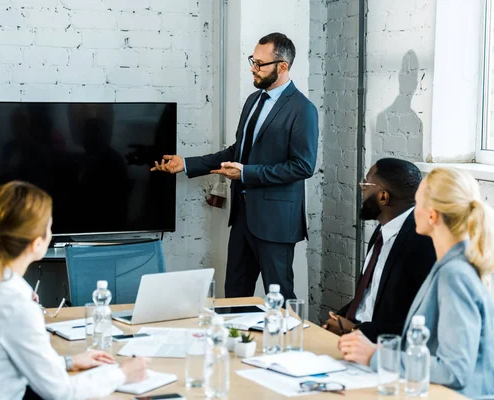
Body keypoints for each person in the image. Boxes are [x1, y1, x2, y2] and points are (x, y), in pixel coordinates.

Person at [151, 32, 318, 300]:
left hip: (276, 223)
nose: (253, 68)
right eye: (253, 60)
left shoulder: (302, 109)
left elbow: (303, 166)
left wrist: (246, 173)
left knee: (281, 297)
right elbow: (237, 151)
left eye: (260, 64)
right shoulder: (254, 101)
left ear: (283, 67)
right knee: (235, 295)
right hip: (242, 218)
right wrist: (187, 164)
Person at [0, 181, 148, 400]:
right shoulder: (15, 304)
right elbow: (61, 393)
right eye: (49, 228)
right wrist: (122, 373)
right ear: (36, 243)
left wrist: (68, 361)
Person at [338, 167, 494, 398]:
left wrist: (375, 356)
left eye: (417, 203)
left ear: (432, 216)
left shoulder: (455, 274)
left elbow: (455, 370)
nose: (412, 211)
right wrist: (378, 349)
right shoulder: (452, 262)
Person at [322, 158, 436, 342]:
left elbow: (410, 316)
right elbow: (369, 294)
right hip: (355, 334)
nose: (362, 190)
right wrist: (339, 319)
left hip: (379, 346)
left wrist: (355, 331)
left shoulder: (420, 241)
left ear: (383, 197)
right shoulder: (383, 230)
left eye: (366, 185)